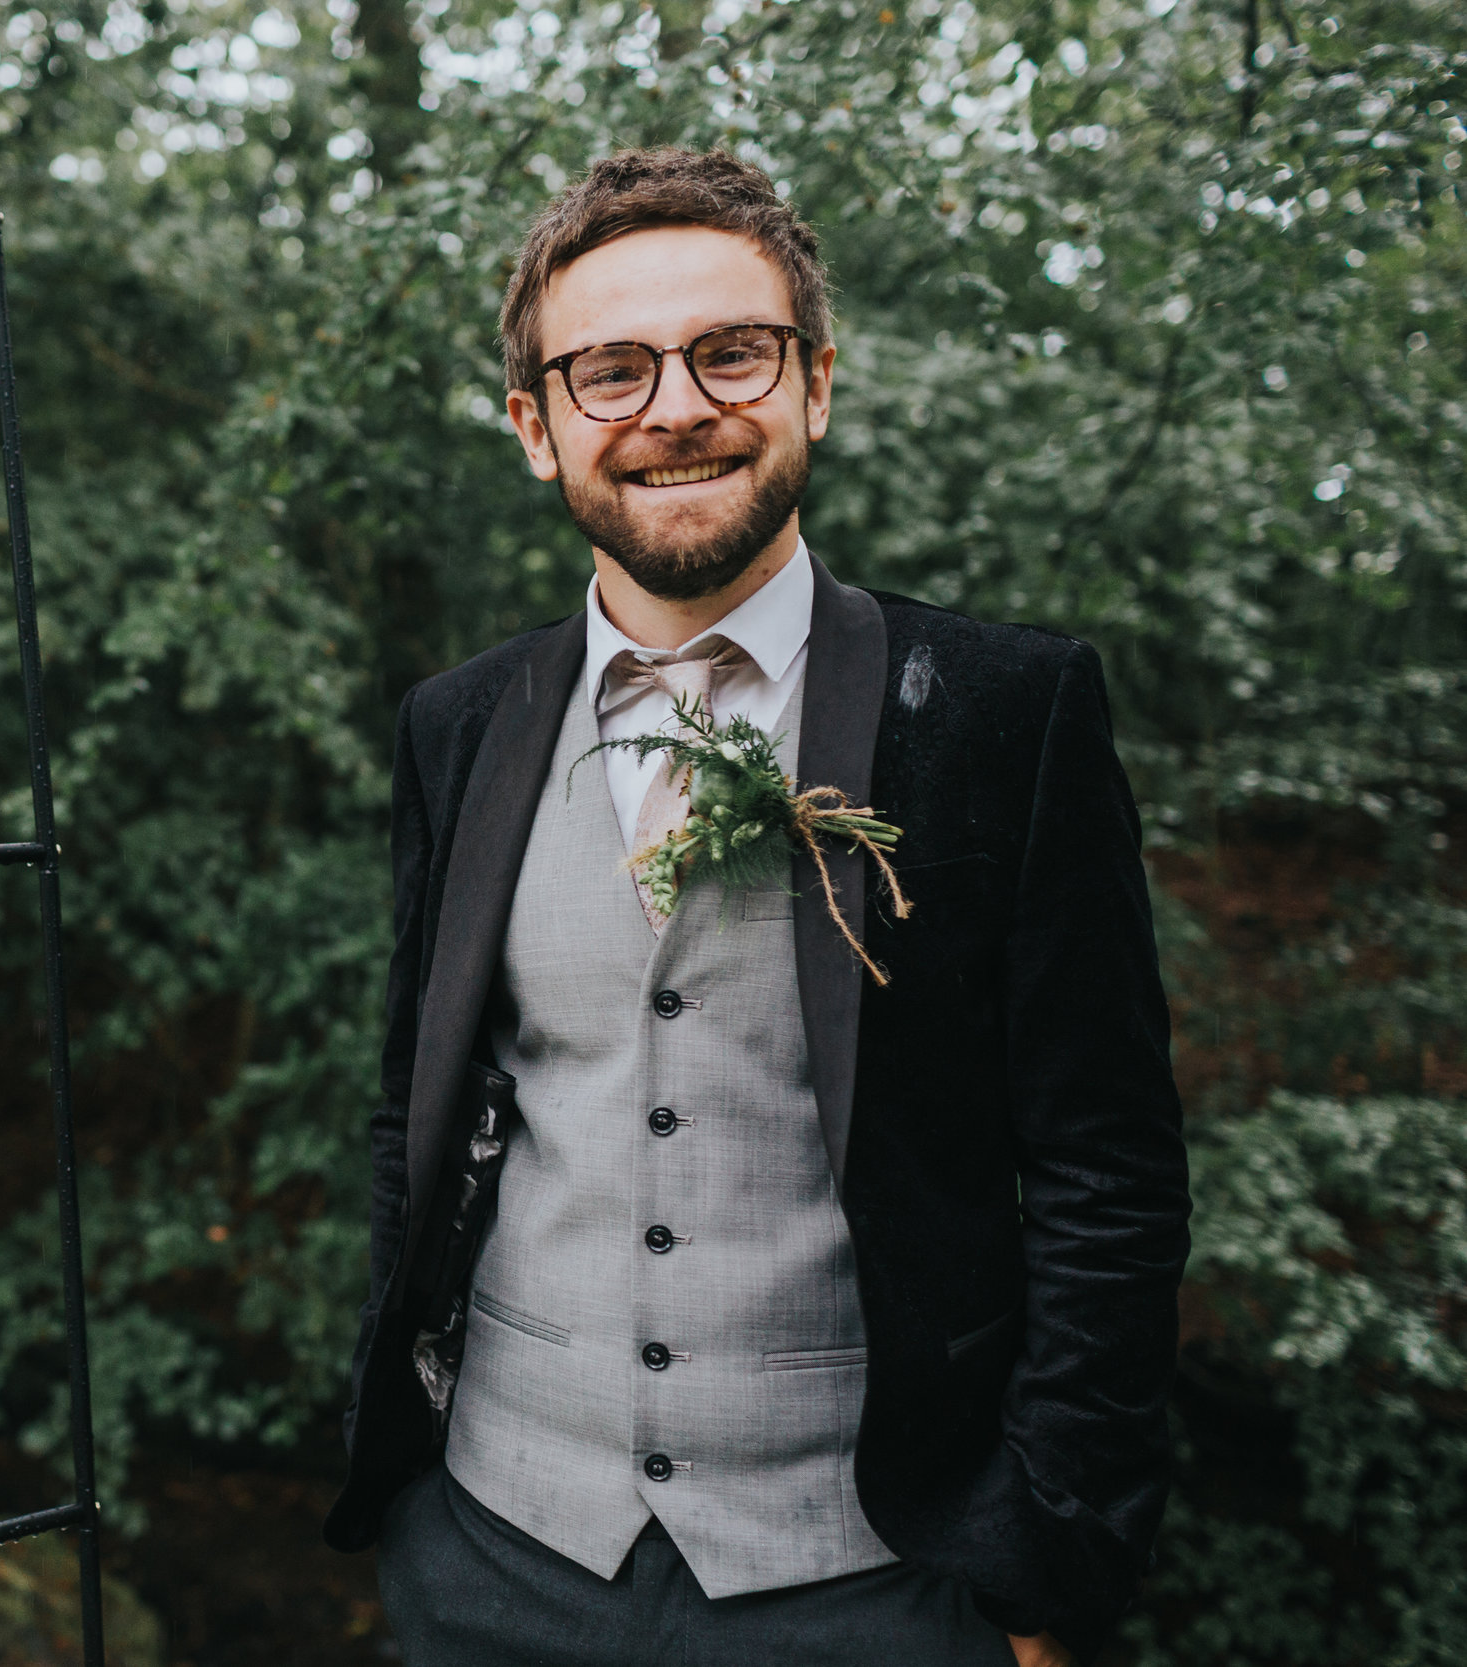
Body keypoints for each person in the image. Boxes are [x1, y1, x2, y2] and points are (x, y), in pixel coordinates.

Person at [323, 146, 1191, 1667]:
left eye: (731, 351)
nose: (674, 406)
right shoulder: (456, 726)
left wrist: (1048, 1561)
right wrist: (410, 1485)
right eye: (610, 370)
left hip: (880, 1580)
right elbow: (419, 1104)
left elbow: (1106, 1170)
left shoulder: (1005, 709)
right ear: (537, 427)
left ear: (816, 387)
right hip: (487, 1560)